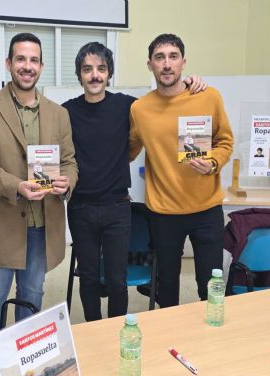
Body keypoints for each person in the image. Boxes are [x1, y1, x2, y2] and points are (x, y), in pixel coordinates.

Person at [62, 42, 206, 321]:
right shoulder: (66, 112)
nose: (95, 75)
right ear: (79, 74)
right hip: (80, 208)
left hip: (118, 208)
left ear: (109, 73)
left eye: (101, 69)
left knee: (117, 279)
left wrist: (190, 84)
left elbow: (165, 102)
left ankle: (116, 330)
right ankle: (93, 331)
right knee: (89, 278)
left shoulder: (128, 106)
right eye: (87, 69)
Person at [0, 33, 77, 332]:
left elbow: (69, 161)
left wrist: (67, 183)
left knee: (32, 296)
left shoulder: (59, 114)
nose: (27, 66)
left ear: (41, 66)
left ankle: (23, 360)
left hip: (42, 225)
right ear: (8, 63)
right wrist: (16, 185)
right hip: (0, 223)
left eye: (33, 60)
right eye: (20, 59)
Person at [129, 34, 234, 308]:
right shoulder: (139, 109)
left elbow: (225, 141)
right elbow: (127, 149)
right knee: (166, 287)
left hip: (206, 209)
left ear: (183, 63)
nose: (166, 64)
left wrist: (213, 163)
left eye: (173, 57)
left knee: (211, 286)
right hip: (164, 213)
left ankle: (212, 340)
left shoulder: (208, 96)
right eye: (159, 57)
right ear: (149, 64)